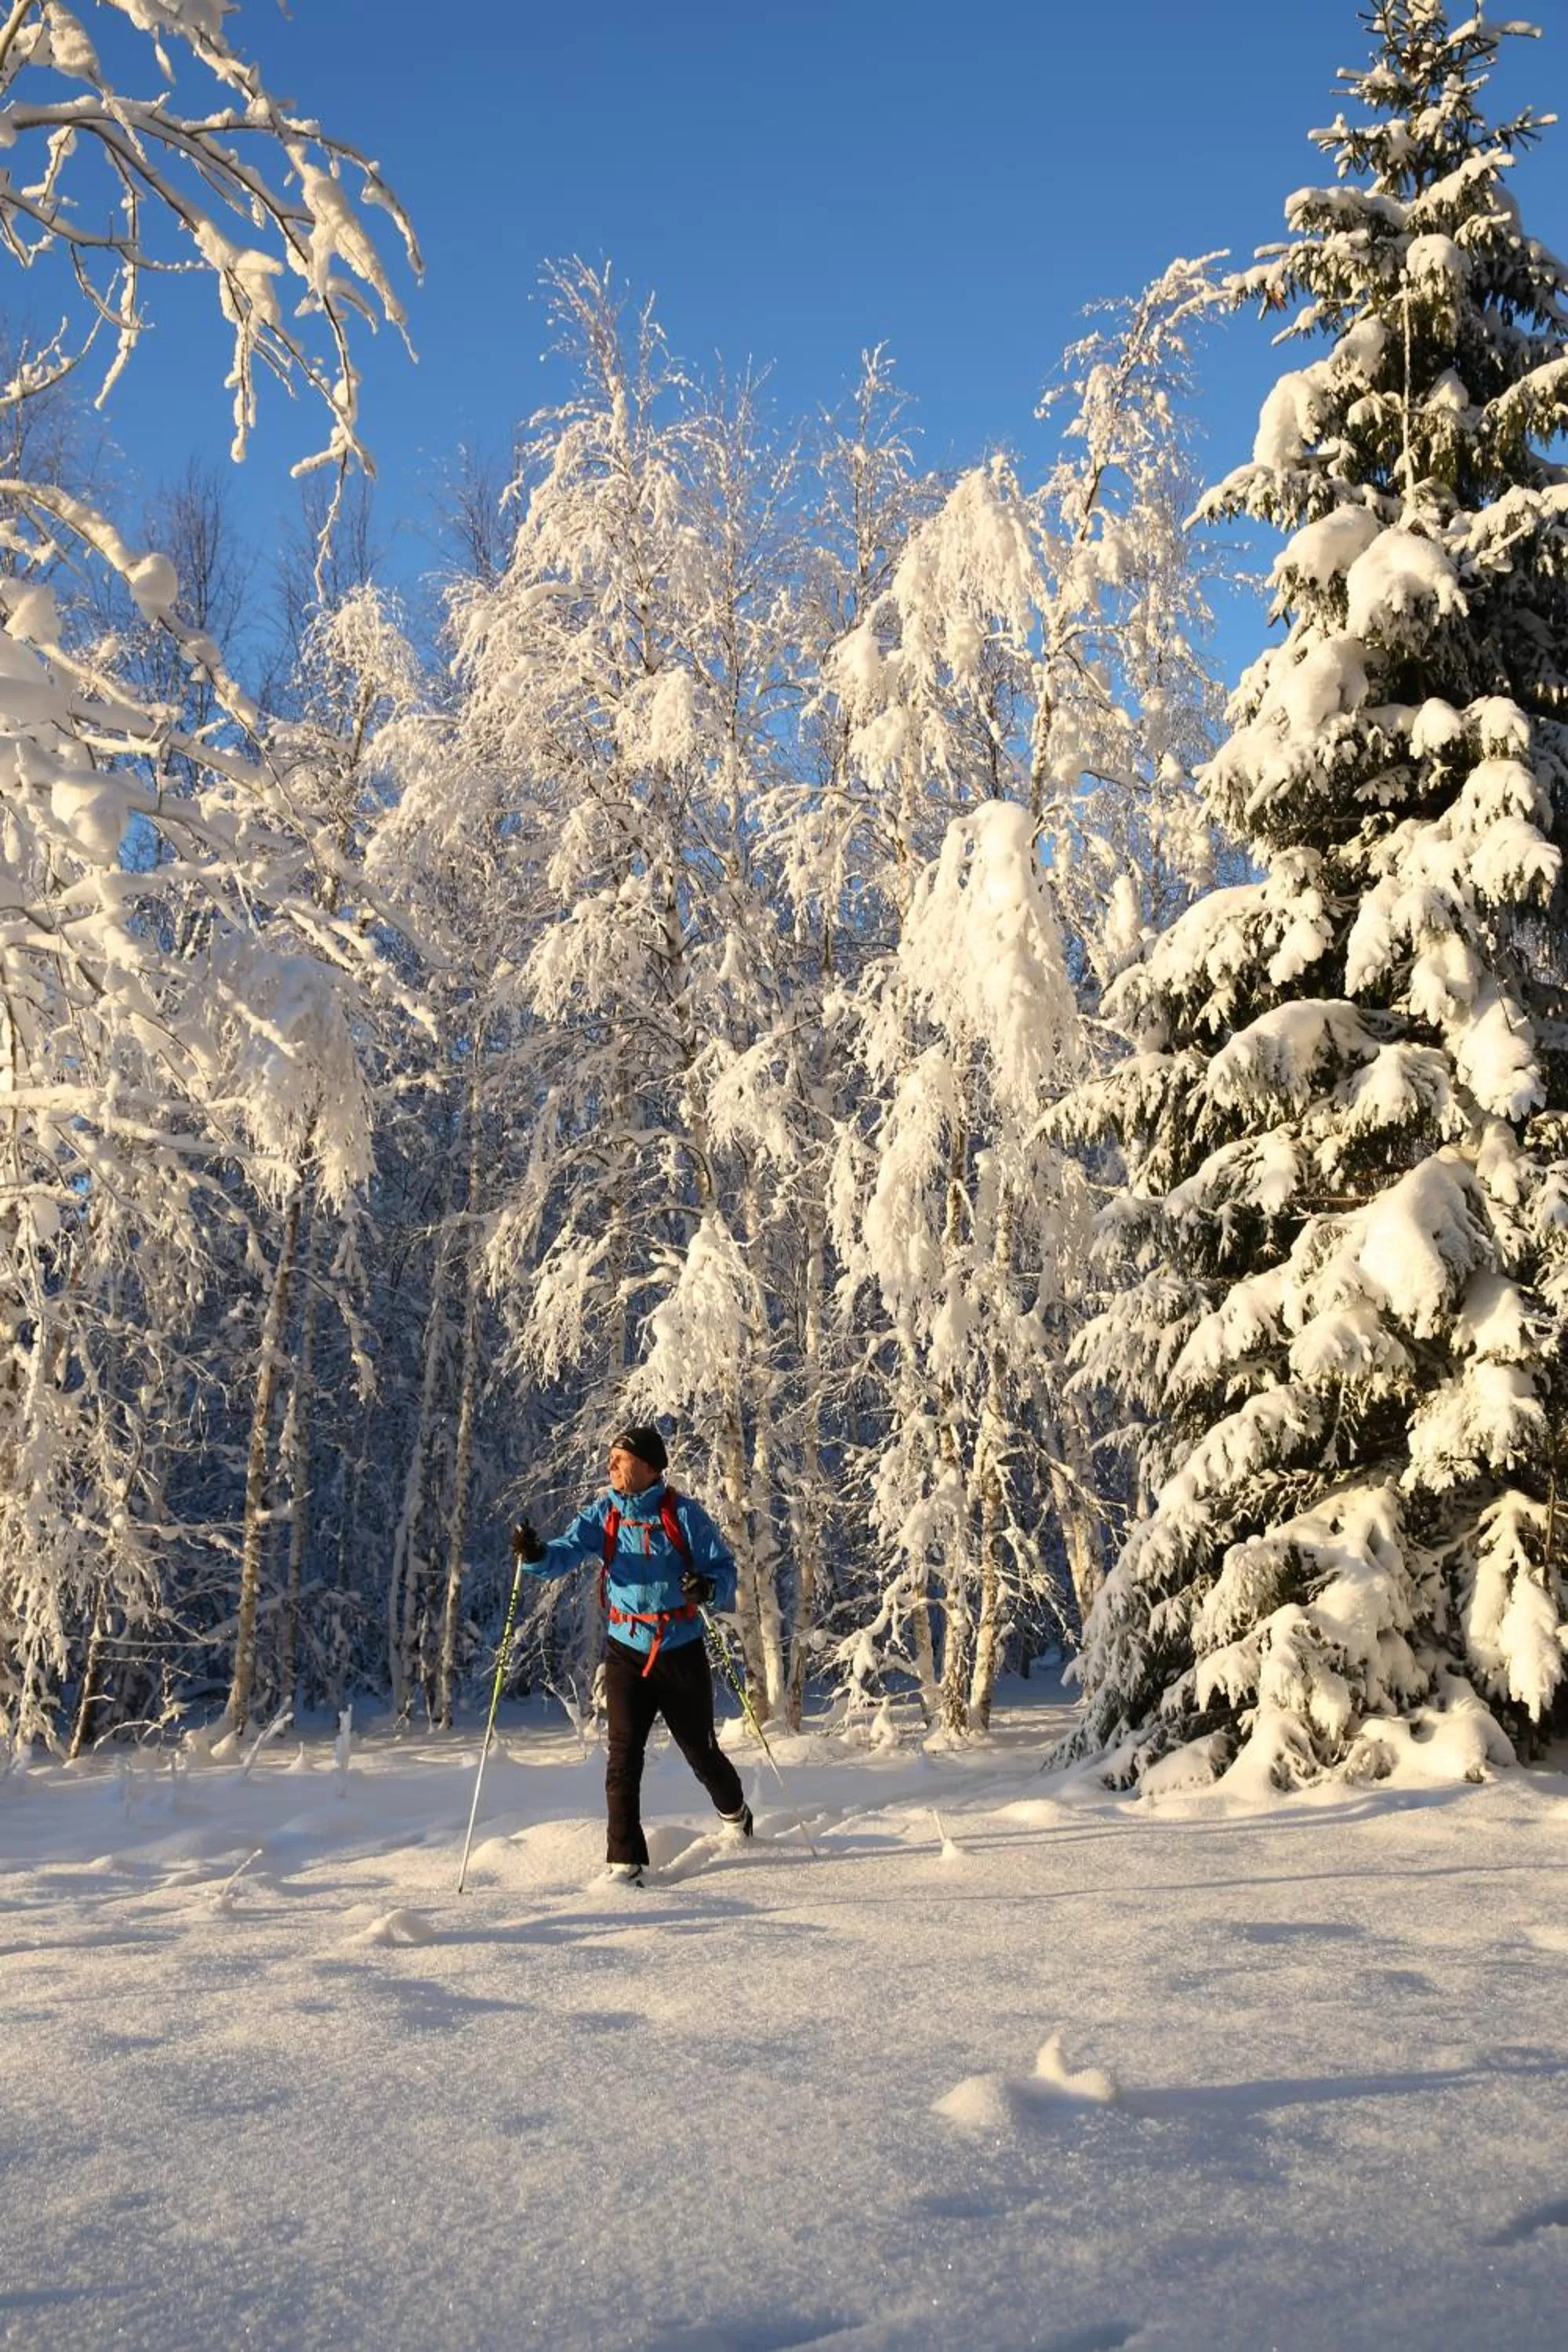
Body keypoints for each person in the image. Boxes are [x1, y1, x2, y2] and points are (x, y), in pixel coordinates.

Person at [512, 1425, 753, 1886]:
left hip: (679, 1650)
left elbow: (724, 1571)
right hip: (625, 1650)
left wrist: (707, 1588)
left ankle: (736, 1814)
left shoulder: (683, 1515)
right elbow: (564, 1551)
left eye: (619, 1459)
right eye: (610, 1459)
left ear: (648, 1467)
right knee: (622, 1756)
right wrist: (536, 1554)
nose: (611, 1467)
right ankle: (625, 1861)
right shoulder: (605, 1513)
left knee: (701, 1752)